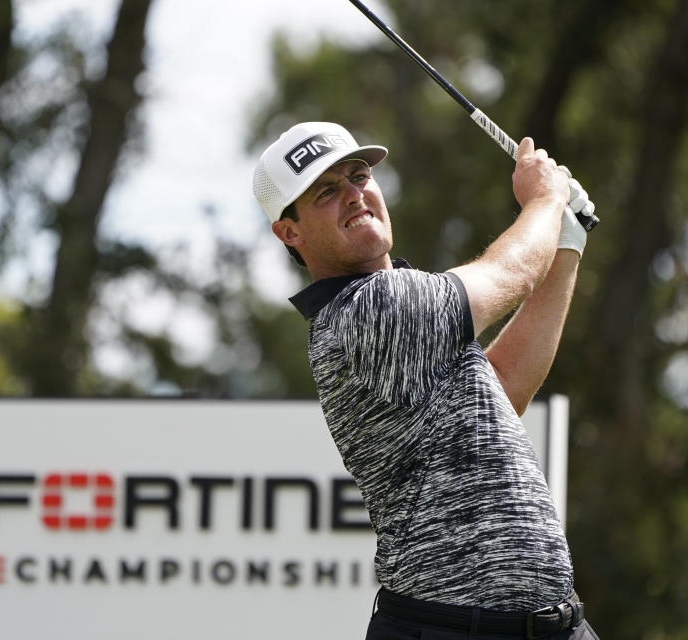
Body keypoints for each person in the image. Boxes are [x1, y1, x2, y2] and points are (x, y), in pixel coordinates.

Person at [253, 121, 600, 639]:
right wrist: (546, 200)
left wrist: (566, 243)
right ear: (290, 233)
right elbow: (510, 275)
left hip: (552, 623)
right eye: (326, 191)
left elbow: (503, 386)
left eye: (359, 174)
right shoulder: (370, 310)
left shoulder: (402, 310)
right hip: (453, 628)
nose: (354, 194)